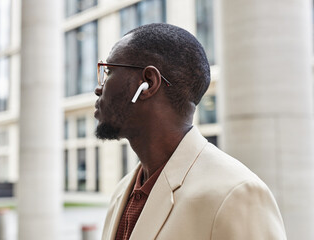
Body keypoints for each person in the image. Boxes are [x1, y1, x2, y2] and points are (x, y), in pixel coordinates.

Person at [94, 23, 286, 240]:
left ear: (148, 82)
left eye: (108, 72)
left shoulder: (235, 193)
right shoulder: (123, 191)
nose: (98, 88)